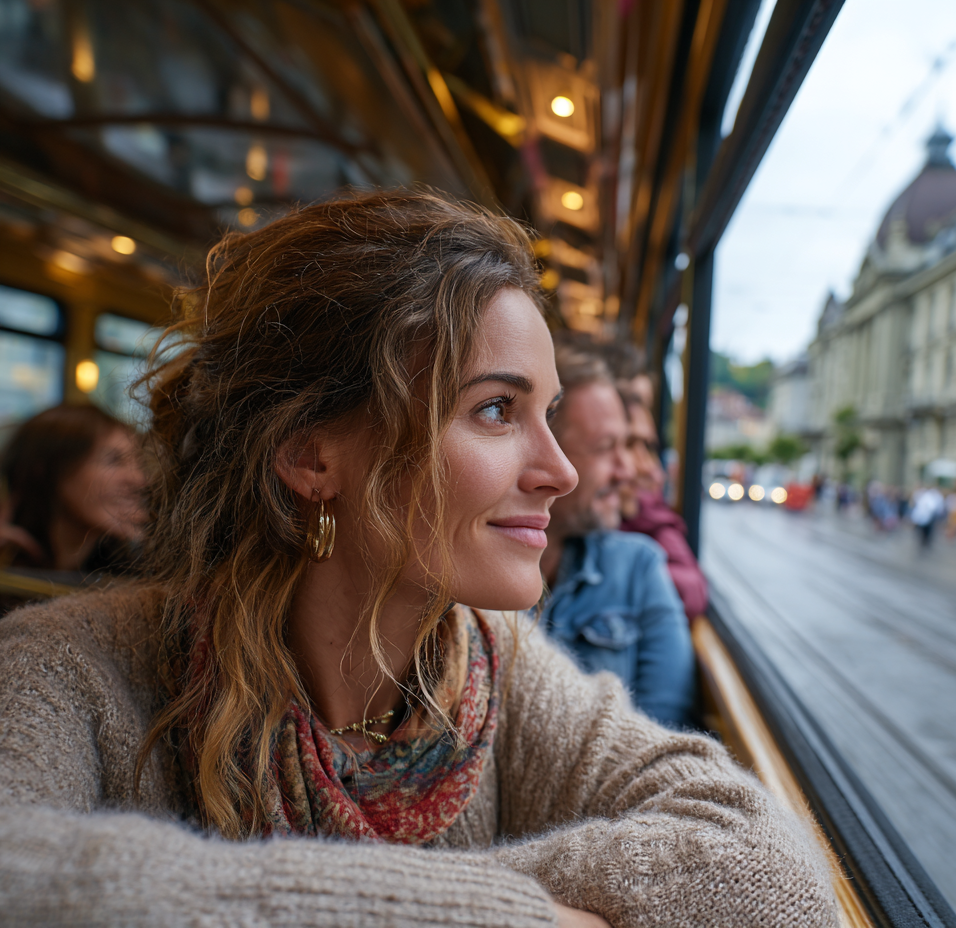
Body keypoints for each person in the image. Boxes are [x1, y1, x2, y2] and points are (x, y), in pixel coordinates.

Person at [0, 192, 835, 927]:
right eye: (498, 410)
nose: (561, 471)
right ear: (311, 455)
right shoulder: (69, 668)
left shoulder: (497, 667)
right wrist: (531, 916)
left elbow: (775, 876)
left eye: (547, 413)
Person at [537, 344, 696, 728]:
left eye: (628, 444)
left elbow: (663, 736)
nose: (628, 472)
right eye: (608, 448)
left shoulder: (638, 565)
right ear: (541, 451)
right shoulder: (471, 582)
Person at [0, 404, 145, 577]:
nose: (139, 480)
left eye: (140, 464)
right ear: (49, 469)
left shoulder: (130, 576)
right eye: (113, 461)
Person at [617, 385, 709, 619]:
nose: (649, 468)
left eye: (648, 447)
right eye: (628, 444)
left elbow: (692, 591)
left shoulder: (643, 512)